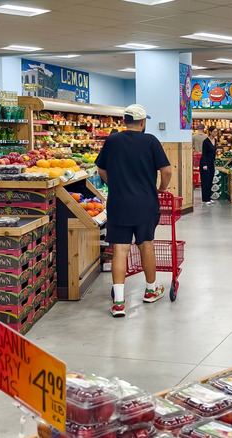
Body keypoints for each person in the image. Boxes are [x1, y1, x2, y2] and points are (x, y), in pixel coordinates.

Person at [96, 104, 173, 317]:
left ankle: (119, 302)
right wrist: (161, 188)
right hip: (145, 203)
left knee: (120, 249)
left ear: (124, 121)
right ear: (142, 122)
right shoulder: (151, 141)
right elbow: (166, 170)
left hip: (118, 203)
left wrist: (114, 184)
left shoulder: (112, 141)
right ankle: (151, 290)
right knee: (146, 245)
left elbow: (101, 168)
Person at [200, 126, 218, 205]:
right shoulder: (206, 141)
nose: (215, 133)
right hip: (205, 162)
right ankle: (205, 198)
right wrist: (204, 164)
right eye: (214, 131)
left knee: (210, 179)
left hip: (211, 162)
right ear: (210, 132)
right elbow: (203, 153)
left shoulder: (215, 140)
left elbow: (214, 151)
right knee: (205, 180)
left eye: (216, 132)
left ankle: (209, 197)